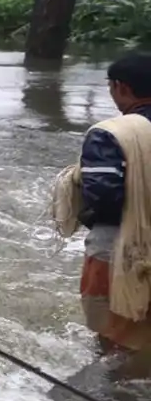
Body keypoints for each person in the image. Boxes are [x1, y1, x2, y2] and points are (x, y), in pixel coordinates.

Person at [53, 52, 151, 354]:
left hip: (123, 250)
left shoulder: (110, 134)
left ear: (120, 87)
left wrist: (83, 210)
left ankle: (113, 396)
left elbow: (105, 197)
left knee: (116, 337)